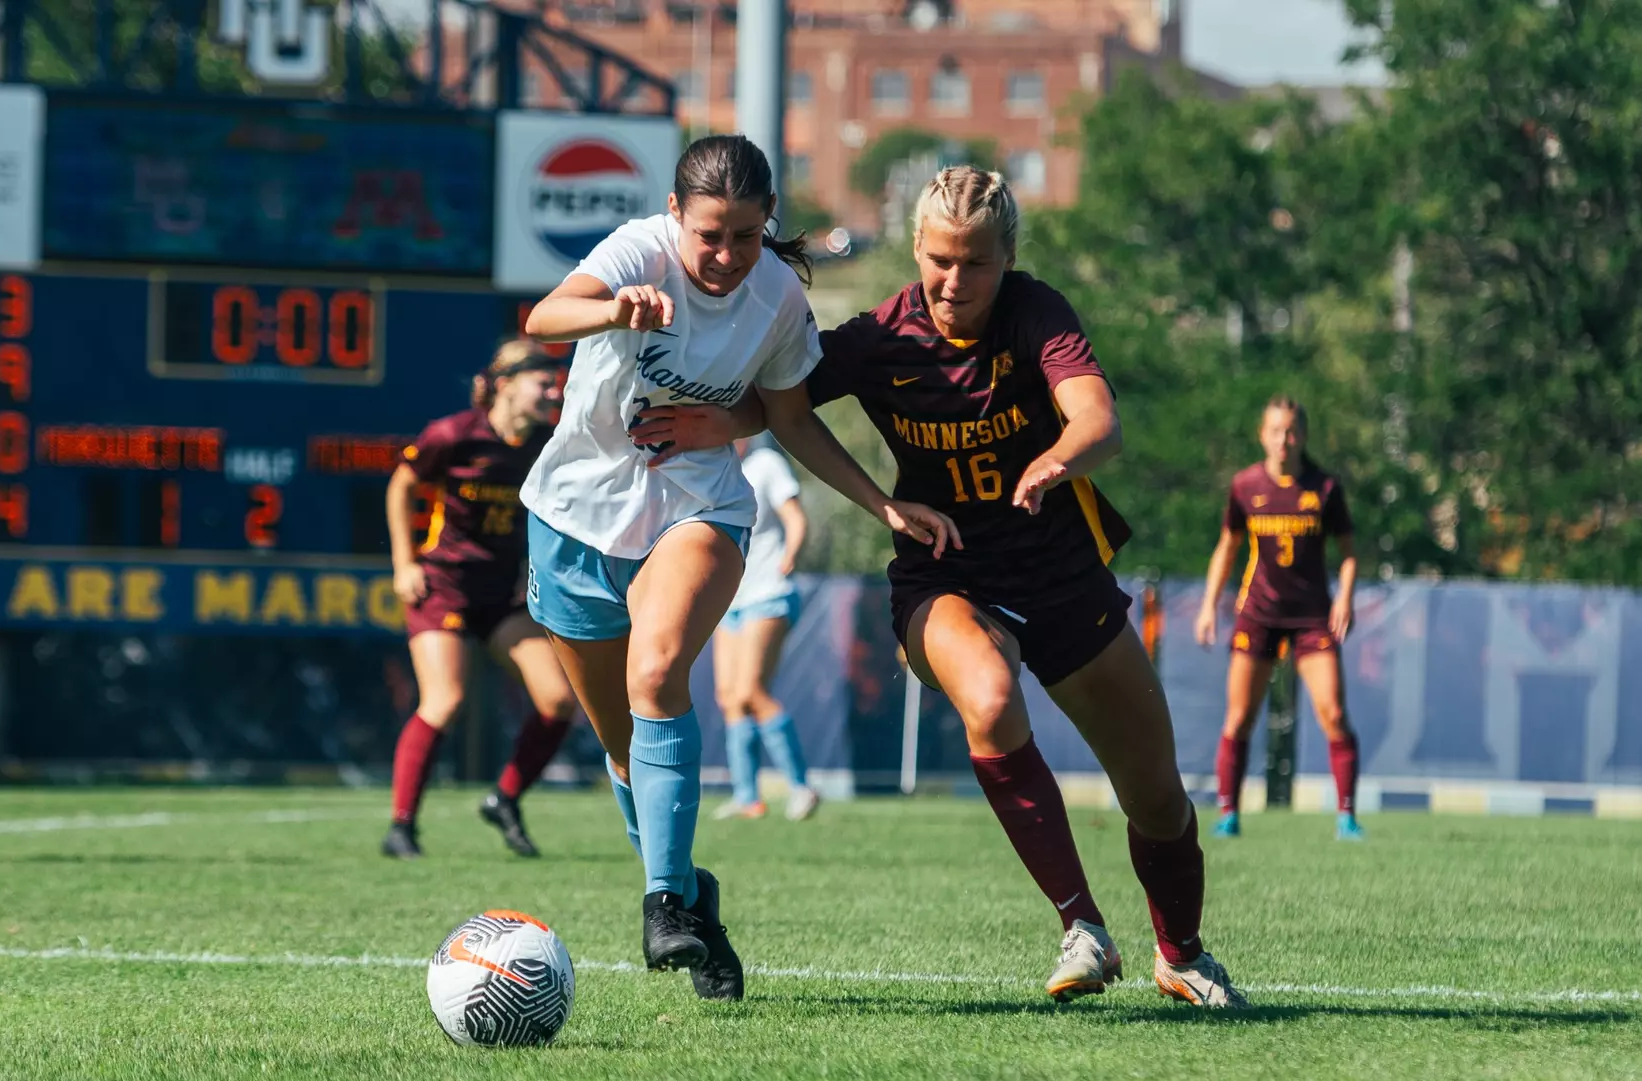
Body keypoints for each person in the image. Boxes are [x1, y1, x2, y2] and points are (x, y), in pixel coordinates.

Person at [632, 167, 1247, 1008]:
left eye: (977, 263)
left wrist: (1059, 458)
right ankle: (1083, 927)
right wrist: (724, 421)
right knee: (989, 698)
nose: (955, 281)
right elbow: (782, 404)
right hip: (942, 574)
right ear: (916, 249)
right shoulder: (881, 337)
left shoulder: (1037, 313)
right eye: (940, 260)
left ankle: (1180, 953)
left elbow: (1098, 418)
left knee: (1160, 802)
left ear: (1008, 258)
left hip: (1063, 575)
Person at [520, 134, 957, 1003]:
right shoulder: (638, 251)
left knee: (658, 671)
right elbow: (542, 318)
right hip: (570, 519)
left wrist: (882, 505)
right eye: (710, 235)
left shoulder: (777, 296)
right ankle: (692, 897)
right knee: (620, 748)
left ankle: (662, 903)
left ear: (768, 229)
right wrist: (614, 309)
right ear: (676, 214)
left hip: (695, 506)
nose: (726, 257)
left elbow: (791, 418)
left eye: (747, 237)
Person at [382, 340, 579, 860]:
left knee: (559, 701)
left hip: (500, 591)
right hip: (442, 584)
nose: (552, 391)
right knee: (445, 700)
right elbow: (401, 485)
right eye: (543, 381)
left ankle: (505, 797)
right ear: (505, 383)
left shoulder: (547, 442)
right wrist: (404, 563)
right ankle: (402, 826)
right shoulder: (454, 435)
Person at [1194, 396, 1363, 841]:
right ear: (1262, 435)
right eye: (1275, 431)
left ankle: (1346, 817)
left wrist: (1345, 597)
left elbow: (1348, 555)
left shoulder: (1325, 488)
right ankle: (1228, 813)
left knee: (1334, 713)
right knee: (1240, 717)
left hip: (1312, 618)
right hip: (1258, 614)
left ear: (1303, 435)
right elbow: (1227, 549)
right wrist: (1209, 605)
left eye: (1291, 431)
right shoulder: (1245, 485)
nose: (1283, 440)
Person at [711, 436, 819, 823]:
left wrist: (791, 555)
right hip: (730, 599)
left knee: (752, 692)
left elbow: (795, 518)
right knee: (730, 697)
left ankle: (801, 787)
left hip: (768, 592)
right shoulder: (714, 465)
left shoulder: (767, 463)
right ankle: (747, 798)